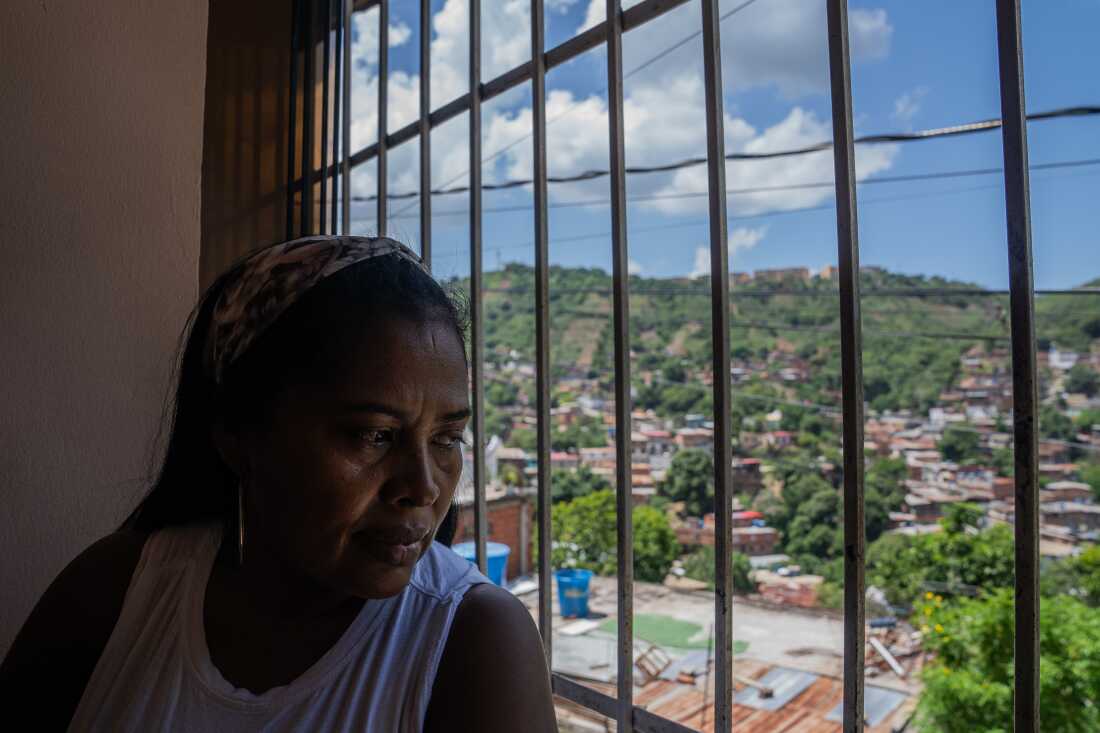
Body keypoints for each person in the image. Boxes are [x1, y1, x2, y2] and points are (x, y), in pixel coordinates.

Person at [0, 236, 557, 732]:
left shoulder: (472, 641)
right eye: (373, 435)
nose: (424, 486)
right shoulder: (113, 593)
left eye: (447, 438)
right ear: (239, 434)